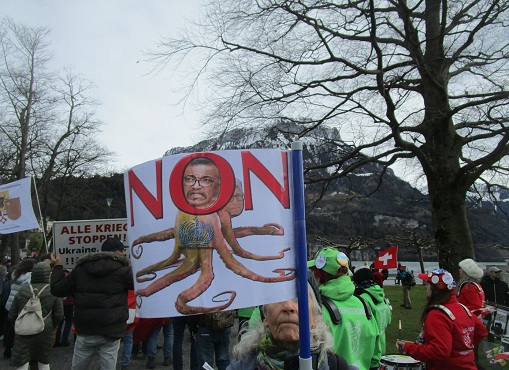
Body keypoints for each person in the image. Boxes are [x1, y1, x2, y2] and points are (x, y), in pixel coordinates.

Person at [227, 278, 356, 370]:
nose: (288, 306)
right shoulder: (240, 367)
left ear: (315, 316)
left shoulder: (339, 367)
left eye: (299, 297)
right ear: (264, 317)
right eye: (277, 297)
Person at [50, 237, 134, 370]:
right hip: (111, 329)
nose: (124, 254)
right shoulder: (124, 271)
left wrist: (58, 267)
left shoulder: (80, 269)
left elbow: (57, 289)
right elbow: (143, 284)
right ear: (117, 252)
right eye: (122, 251)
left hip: (85, 329)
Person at [396, 269, 488, 370]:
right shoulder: (462, 308)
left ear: (433, 288)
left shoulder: (437, 315)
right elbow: (481, 331)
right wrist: (463, 347)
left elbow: (439, 351)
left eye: (428, 284)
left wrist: (407, 348)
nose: (426, 287)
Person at [308, 248, 378, 370]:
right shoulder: (364, 304)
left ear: (318, 274)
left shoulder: (318, 309)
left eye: (313, 270)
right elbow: (376, 354)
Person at [8, 262, 63, 370]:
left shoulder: (23, 290)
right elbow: (59, 314)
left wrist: (18, 324)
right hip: (45, 328)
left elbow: (11, 314)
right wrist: (51, 325)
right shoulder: (52, 290)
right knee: (43, 359)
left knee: (22, 359)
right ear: (48, 274)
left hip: (23, 328)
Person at [353, 267, 392, 370]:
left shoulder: (363, 298)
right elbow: (389, 320)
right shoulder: (382, 296)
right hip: (382, 349)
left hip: (370, 353)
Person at [456, 258, 486, 370]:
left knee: (470, 354)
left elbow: (475, 307)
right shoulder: (476, 285)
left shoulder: (469, 287)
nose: (459, 270)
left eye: (461, 269)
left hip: (468, 324)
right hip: (474, 323)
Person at [4, 258, 35, 359]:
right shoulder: (30, 277)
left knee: (10, 328)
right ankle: (21, 350)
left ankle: (7, 348)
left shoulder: (15, 275)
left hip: (10, 304)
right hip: (22, 305)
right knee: (21, 329)